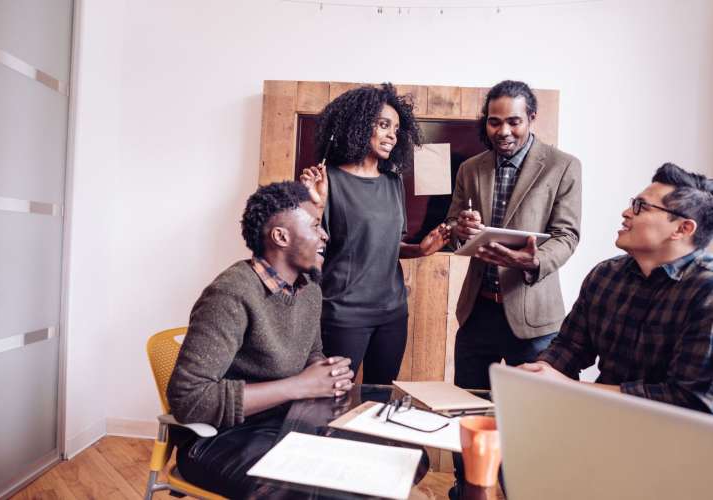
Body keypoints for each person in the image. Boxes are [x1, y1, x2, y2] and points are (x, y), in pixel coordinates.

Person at [166, 181, 355, 498]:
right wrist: (299, 386)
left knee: (375, 467)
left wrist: (325, 372)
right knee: (323, 491)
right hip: (217, 439)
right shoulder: (230, 293)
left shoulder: (309, 290)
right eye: (314, 226)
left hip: (284, 422)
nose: (324, 236)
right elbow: (189, 400)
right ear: (281, 236)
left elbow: (311, 352)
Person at [521, 163, 713, 413]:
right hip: (603, 421)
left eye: (641, 207)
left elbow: (688, 399)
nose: (626, 212)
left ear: (682, 228)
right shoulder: (606, 274)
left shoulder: (705, 291)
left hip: (676, 439)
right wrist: (537, 373)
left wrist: (569, 387)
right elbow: (570, 346)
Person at [300, 83, 450, 384]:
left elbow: (387, 245)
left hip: (393, 313)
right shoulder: (327, 181)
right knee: (333, 399)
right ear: (358, 124)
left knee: (380, 398)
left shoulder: (393, 182)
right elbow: (306, 252)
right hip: (343, 315)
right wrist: (314, 206)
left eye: (395, 127)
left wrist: (419, 249)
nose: (392, 134)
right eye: (383, 125)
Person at [446, 79, 582, 390]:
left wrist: (534, 261)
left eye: (514, 121)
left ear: (532, 117)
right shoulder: (470, 168)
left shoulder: (563, 166)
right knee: (468, 407)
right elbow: (452, 225)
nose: (503, 131)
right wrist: (460, 229)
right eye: (495, 122)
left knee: (537, 415)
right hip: (477, 313)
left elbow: (567, 235)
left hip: (533, 318)